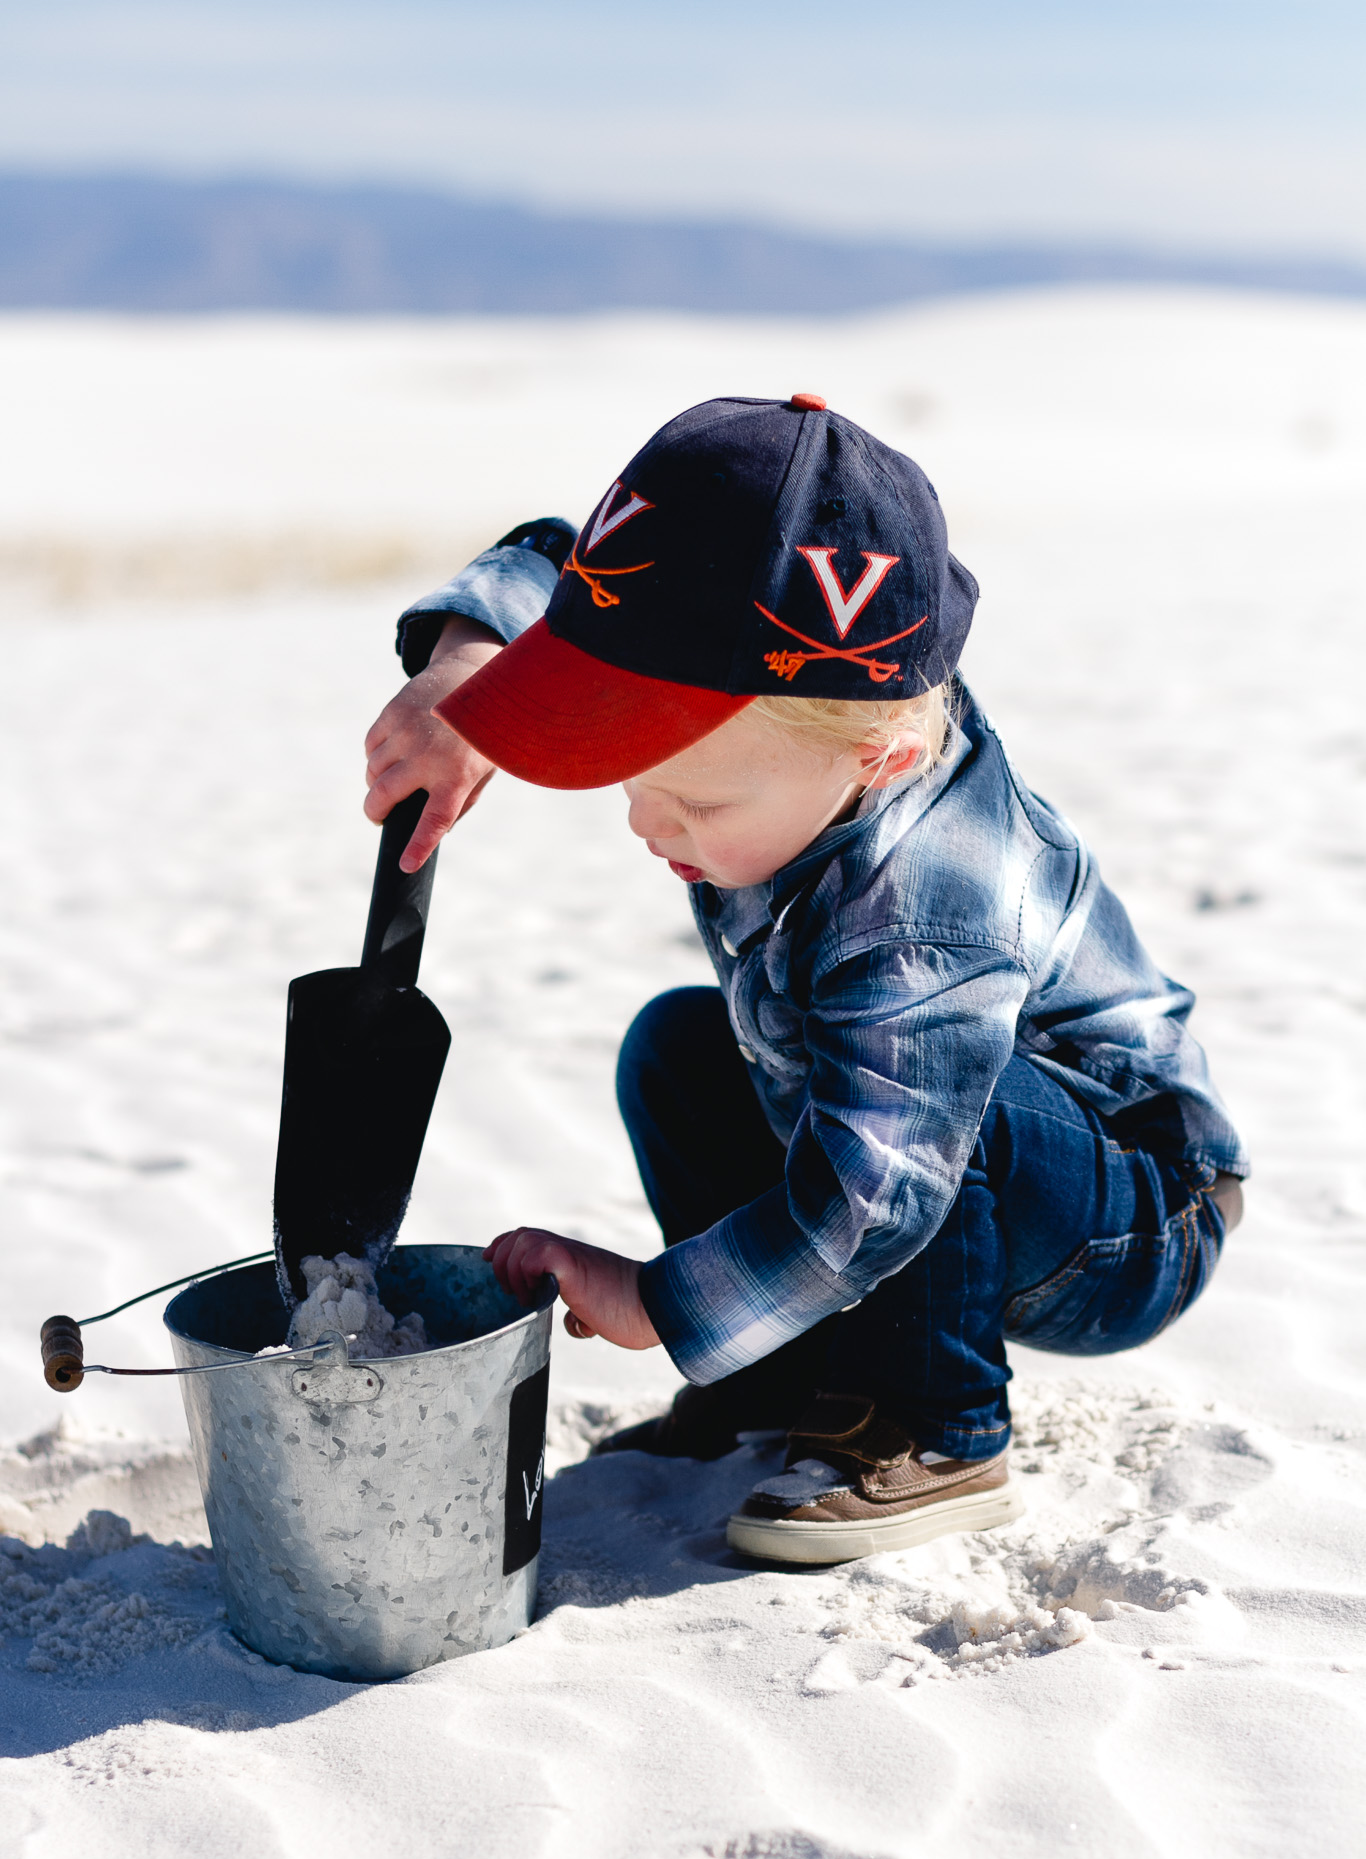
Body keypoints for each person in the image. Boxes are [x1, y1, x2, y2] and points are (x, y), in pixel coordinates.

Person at [363, 393, 1246, 1565]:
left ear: (874, 755)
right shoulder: (829, 717)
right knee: (677, 1046)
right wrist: (469, 669)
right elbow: (556, 559)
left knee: (930, 1105)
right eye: (628, 771)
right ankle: (776, 1385)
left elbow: (878, 1193)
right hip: (887, 1113)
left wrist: (661, 1301)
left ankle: (934, 1433)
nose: (642, 820)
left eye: (695, 799)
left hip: (1123, 1211)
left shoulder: (928, 909)